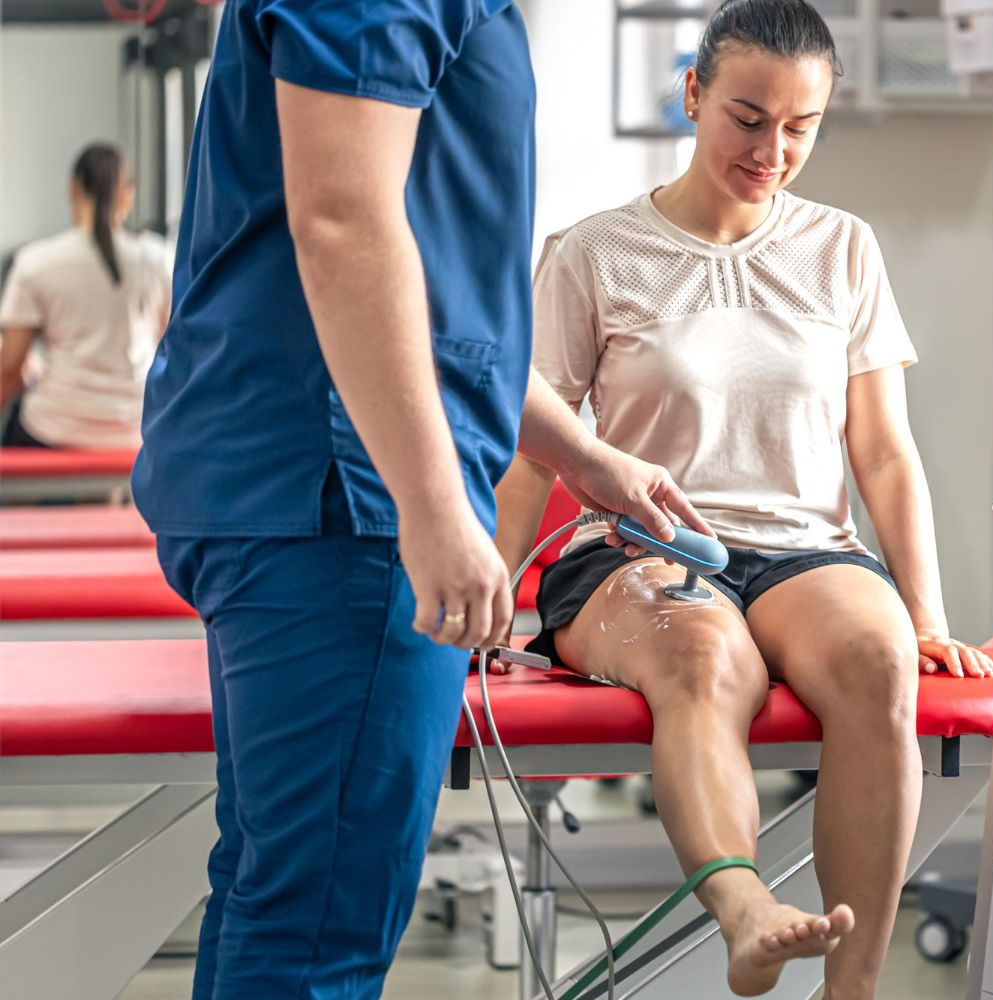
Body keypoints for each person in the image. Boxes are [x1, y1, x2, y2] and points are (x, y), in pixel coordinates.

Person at [130, 2, 706, 997]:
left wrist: (580, 455)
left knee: (284, 894)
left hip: (318, 479)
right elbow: (343, 223)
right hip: (343, 497)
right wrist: (431, 508)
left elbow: (431, 300)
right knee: (320, 922)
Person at [493, 2, 993, 997]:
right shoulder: (593, 252)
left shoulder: (842, 247)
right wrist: (489, 601)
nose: (772, 151)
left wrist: (926, 616)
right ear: (692, 94)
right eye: (748, 118)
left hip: (806, 550)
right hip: (640, 549)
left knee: (878, 660)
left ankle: (851, 989)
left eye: (800, 127)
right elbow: (531, 452)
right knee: (700, 655)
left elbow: (882, 452)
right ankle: (746, 911)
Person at [0, 143, 170, 449]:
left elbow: (9, 369)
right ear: (127, 195)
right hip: (136, 430)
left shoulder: (35, 262)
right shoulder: (159, 260)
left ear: (73, 188)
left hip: (53, 429)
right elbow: (171, 348)